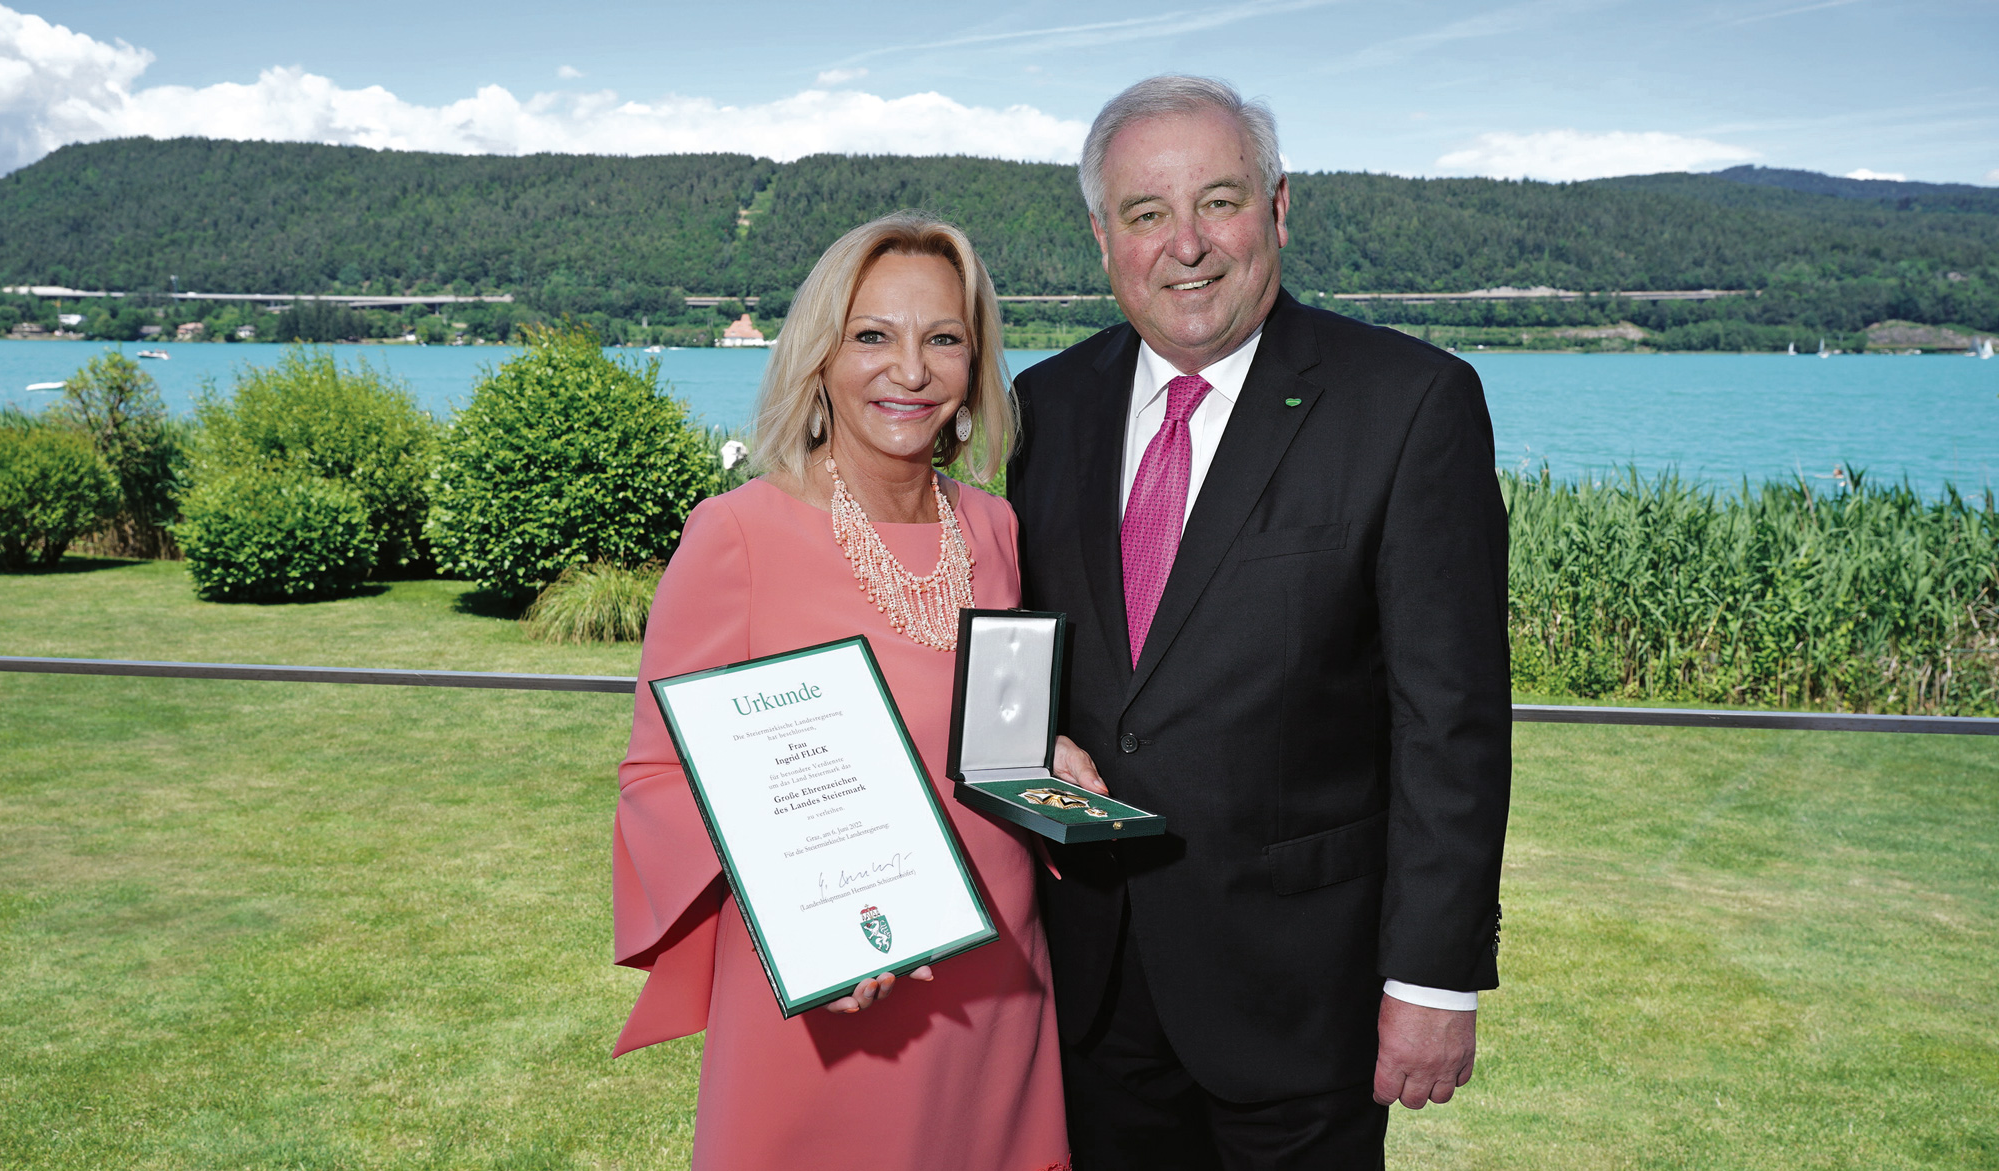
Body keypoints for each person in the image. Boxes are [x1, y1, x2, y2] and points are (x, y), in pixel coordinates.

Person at [1009, 76, 1513, 1169]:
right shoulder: (1041, 410)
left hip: (1301, 995)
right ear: (1103, 238)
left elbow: (1450, 719)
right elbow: (1016, 647)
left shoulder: (1408, 402)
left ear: (1278, 210)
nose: (1185, 245)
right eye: (1145, 214)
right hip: (1088, 986)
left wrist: (1430, 976)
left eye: (1219, 202)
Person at [613, 212, 1079, 1171]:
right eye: (873, 335)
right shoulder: (737, 534)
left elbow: (988, 725)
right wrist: (808, 929)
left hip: (998, 976)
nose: (909, 371)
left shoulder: (994, 528)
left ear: (974, 362)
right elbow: (660, 775)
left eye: (942, 338)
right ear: (820, 355)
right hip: (835, 992)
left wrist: (1048, 756)